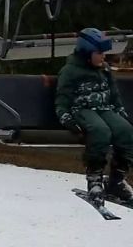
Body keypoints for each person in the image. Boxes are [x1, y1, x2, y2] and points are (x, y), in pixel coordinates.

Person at [56, 27, 133, 203]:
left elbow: (114, 94)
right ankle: (94, 179)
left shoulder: (104, 69)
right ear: (86, 53)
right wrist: (65, 116)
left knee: (126, 131)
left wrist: (119, 109)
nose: (103, 56)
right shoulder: (70, 71)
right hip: (82, 109)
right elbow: (62, 98)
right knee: (100, 131)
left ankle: (117, 180)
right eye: (99, 53)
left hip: (104, 108)